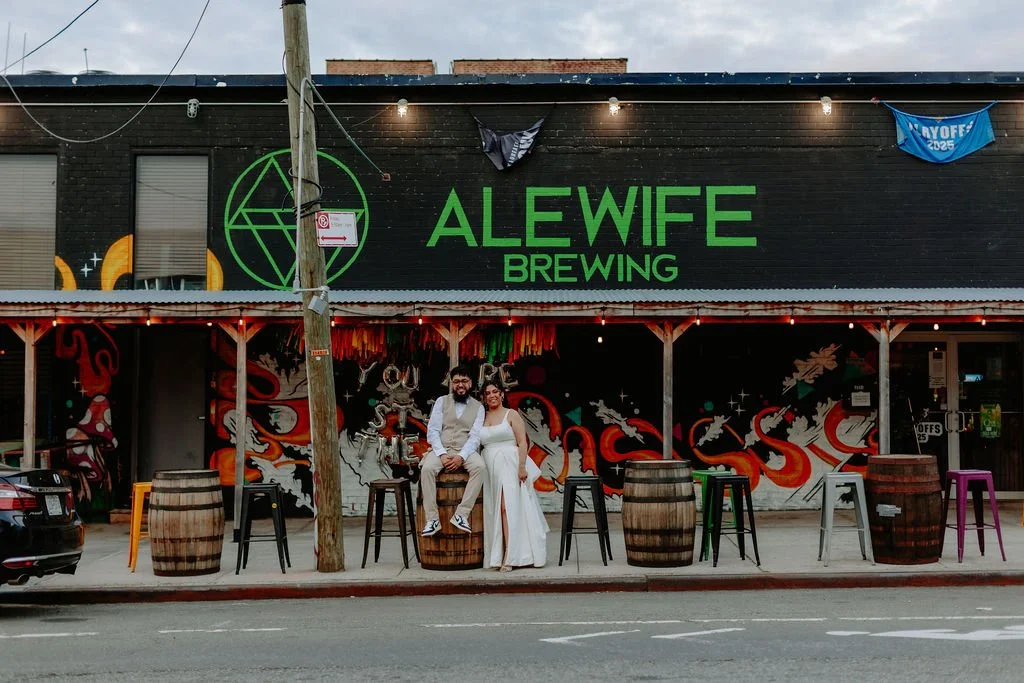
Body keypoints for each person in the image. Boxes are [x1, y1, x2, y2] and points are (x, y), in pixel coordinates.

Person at [479, 380, 548, 571]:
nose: (492, 395)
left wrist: (522, 466)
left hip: (509, 463)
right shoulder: (481, 417)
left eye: (495, 391)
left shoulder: (512, 414)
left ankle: (511, 555)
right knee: (494, 510)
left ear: (502, 394)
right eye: (488, 393)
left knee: (506, 507)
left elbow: (522, 442)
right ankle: (497, 554)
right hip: (489, 467)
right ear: (484, 397)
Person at [418, 365, 486, 536]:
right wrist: (441, 454)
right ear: (451, 384)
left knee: (480, 467)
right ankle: (432, 519)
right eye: (456, 381)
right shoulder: (442, 401)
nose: (460, 385)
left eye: (464, 381)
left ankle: (461, 514)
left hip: (465, 449)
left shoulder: (479, 407)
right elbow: (433, 430)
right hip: (442, 448)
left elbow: (475, 437)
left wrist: (461, 457)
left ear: (470, 383)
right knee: (426, 469)